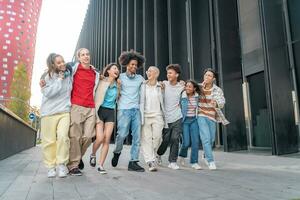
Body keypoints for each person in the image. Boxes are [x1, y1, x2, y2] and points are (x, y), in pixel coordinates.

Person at [111, 50, 145, 172]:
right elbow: (107, 81)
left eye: (136, 65)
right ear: (126, 64)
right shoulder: (120, 77)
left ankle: (133, 162)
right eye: (132, 64)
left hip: (136, 110)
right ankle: (117, 152)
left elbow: (150, 85)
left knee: (136, 137)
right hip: (124, 110)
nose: (134, 67)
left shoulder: (140, 78)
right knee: (122, 135)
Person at [67, 48, 100, 175]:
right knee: (75, 136)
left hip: (91, 107)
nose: (86, 56)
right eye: (83, 55)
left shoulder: (95, 73)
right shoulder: (73, 69)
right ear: (78, 57)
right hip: (76, 105)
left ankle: (77, 157)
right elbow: (58, 70)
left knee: (88, 136)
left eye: (87, 54)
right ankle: (73, 165)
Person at [40, 53, 72, 178]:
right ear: (53, 65)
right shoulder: (46, 77)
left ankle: (62, 164)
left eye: (62, 61)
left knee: (63, 137)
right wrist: (59, 79)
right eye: (58, 62)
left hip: (64, 111)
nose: (62, 64)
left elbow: (78, 65)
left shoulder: (69, 74)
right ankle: (50, 167)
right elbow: (49, 93)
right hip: (48, 112)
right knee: (49, 141)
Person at [89, 63, 120, 174]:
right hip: (100, 110)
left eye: (118, 69)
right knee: (100, 137)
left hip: (110, 112)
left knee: (107, 139)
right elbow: (93, 72)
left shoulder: (118, 84)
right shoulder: (101, 81)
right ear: (108, 71)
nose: (117, 70)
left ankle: (101, 165)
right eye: (115, 68)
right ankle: (93, 154)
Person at [197, 68, 229, 170]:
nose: (207, 77)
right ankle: (211, 161)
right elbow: (187, 90)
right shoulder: (198, 87)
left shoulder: (217, 90)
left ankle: (206, 155)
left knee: (211, 140)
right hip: (200, 115)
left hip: (212, 116)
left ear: (213, 78)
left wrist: (217, 103)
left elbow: (222, 102)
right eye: (206, 75)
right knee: (205, 138)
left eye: (209, 76)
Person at [157, 64, 184, 170]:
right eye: (167, 73)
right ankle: (159, 154)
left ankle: (172, 161)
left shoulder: (181, 86)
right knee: (165, 140)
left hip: (177, 116)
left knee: (175, 139)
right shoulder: (163, 84)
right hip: (165, 118)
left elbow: (193, 87)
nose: (168, 75)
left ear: (177, 75)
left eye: (170, 73)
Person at [140, 66, 166, 172]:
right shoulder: (142, 85)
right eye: (148, 71)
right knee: (146, 139)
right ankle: (150, 161)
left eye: (151, 71)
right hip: (145, 115)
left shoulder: (161, 86)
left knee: (157, 137)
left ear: (156, 74)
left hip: (157, 115)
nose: (148, 72)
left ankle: (155, 154)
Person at [178, 80, 201, 170]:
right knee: (186, 142)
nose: (187, 88)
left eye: (190, 87)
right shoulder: (182, 96)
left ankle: (194, 162)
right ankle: (182, 155)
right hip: (184, 121)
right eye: (186, 86)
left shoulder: (197, 97)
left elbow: (202, 86)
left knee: (195, 142)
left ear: (194, 88)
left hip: (194, 120)